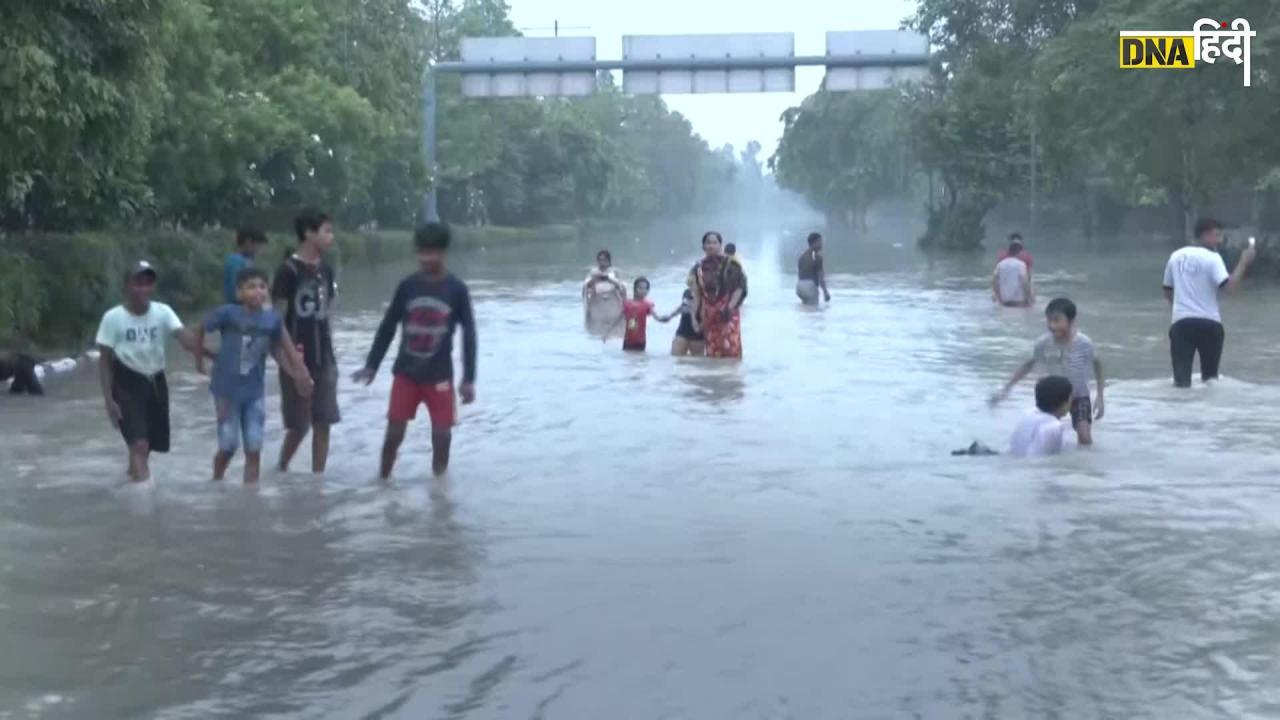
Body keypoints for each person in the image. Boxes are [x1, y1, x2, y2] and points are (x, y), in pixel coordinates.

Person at [354, 223, 477, 478]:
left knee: (442, 435)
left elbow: (470, 336)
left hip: (440, 375)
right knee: (394, 433)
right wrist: (372, 365)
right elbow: (387, 326)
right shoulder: (407, 286)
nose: (426, 258)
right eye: (421, 252)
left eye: (432, 252)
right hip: (406, 374)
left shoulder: (456, 290)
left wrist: (469, 379)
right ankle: (383, 481)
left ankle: (439, 488)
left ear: (443, 252)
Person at [196, 268, 313, 483]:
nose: (257, 291)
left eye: (262, 286)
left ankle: (251, 497)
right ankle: (216, 482)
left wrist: (300, 375)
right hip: (226, 392)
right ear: (239, 292)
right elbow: (201, 328)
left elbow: (285, 348)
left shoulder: (272, 320)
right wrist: (200, 359)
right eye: (251, 287)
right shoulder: (228, 313)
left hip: (254, 393)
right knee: (228, 446)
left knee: (254, 445)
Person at [95, 261, 208, 481]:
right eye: (138, 283)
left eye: (148, 284)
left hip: (155, 381)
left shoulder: (163, 312)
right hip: (126, 382)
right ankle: (142, 502)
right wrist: (109, 400)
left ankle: (131, 481)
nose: (143, 289)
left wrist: (215, 354)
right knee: (139, 443)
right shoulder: (113, 318)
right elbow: (105, 362)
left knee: (145, 446)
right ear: (127, 286)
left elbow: (187, 341)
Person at [272, 207, 341, 473]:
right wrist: (290, 362)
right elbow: (276, 319)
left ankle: (317, 481)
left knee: (324, 420)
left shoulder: (326, 269)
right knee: (300, 425)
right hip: (296, 357)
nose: (330, 237)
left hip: (325, 357)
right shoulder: (288, 271)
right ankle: (281, 468)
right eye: (326, 231)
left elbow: (330, 310)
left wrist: (331, 349)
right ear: (309, 234)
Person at [991, 297, 1105, 446]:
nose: (1052, 325)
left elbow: (1097, 365)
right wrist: (1007, 388)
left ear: (1071, 321)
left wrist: (1100, 397)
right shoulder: (1043, 343)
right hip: (1054, 397)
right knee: (1044, 434)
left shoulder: (1084, 344)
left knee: (1084, 438)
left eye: (1057, 321)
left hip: (1079, 396)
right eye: (1049, 320)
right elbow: (1028, 365)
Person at [1162, 217, 1256, 387]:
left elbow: (1167, 289)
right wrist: (1244, 262)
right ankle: (1209, 413)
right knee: (1211, 381)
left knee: (1181, 382)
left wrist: (1179, 311)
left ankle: (1179, 412)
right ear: (1204, 235)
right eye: (1217, 235)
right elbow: (1229, 289)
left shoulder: (1175, 256)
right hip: (1210, 324)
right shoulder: (1213, 257)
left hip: (1181, 324)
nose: (1220, 240)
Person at [693, 231, 747, 359]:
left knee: (731, 350)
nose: (711, 246)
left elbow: (740, 288)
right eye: (708, 243)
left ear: (720, 245)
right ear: (703, 247)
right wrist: (694, 319)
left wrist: (729, 307)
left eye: (714, 242)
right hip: (709, 315)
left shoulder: (732, 265)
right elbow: (697, 294)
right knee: (712, 352)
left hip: (728, 313)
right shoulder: (698, 268)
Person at [1009, 375, 1073, 458]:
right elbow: (1049, 459)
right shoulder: (1054, 426)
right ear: (1064, 404)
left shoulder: (1028, 413)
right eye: (1071, 399)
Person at [619, 277, 675, 352]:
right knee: (627, 360)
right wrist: (608, 331)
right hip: (627, 340)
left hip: (640, 341)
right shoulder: (628, 303)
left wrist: (665, 318)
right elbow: (619, 317)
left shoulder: (647, 305)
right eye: (640, 288)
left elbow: (657, 317)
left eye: (645, 289)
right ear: (635, 289)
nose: (643, 291)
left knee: (640, 360)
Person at [223, 226, 269, 305]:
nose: (259, 249)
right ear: (248, 242)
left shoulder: (248, 261)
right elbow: (236, 289)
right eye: (258, 245)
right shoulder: (236, 261)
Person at [993, 239, 1033, 307]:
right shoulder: (1021, 265)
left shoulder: (1000, 264)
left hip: (1004, 301)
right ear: (1019, 251)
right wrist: (1028, 299)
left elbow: (994, 281)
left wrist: (998, 297)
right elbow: (1025, 282)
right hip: (1019, 301)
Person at [796, 232, 831, 305]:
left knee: (805, 310)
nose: (822, 244)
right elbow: (821, 278)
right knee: (814, 311)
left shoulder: (802, 256)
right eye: (820, 241)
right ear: (813, 243)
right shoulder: (817, 257)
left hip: (799, 286)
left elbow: (800, 274)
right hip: (810, 287)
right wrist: (825, 292)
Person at [670, 289, 706, 357]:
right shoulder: (688, 292)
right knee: (676, 358)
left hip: (695, 334)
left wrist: (692, 312)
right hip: (684, 333)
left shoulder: (703, 296)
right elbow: (681, 307)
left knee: (697, 361)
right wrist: (669, 316)